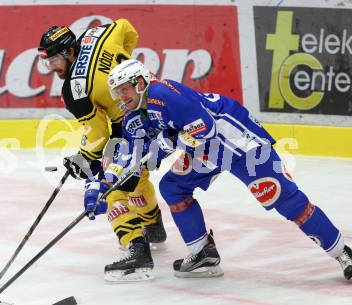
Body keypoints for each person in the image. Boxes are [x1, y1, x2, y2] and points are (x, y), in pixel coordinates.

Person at [83, 59, 352, 281]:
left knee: (287, 201)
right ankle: (202, 253)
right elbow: (131, 151)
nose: (121, 98)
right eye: (117, 92)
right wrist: (106, 183)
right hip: (206, 151)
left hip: (240, 144)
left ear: (140, 83)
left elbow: (204, 127)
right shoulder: (132, 116)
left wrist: (164, 144)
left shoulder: (162, 93)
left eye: (124, 90)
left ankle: (343, 253)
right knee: (173, 187)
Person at [38, 19, 167, 282]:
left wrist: (84, 160)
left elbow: (98, 136)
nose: (51, 68)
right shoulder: (96, 34)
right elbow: (128, 27)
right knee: (136, 176)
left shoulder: (74, 89)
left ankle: (136, 247)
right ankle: (153, 225)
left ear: (68, 52)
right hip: (159, 104)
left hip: (131, 127)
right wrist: (123, 66)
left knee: (109, 189)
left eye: (53, 61)